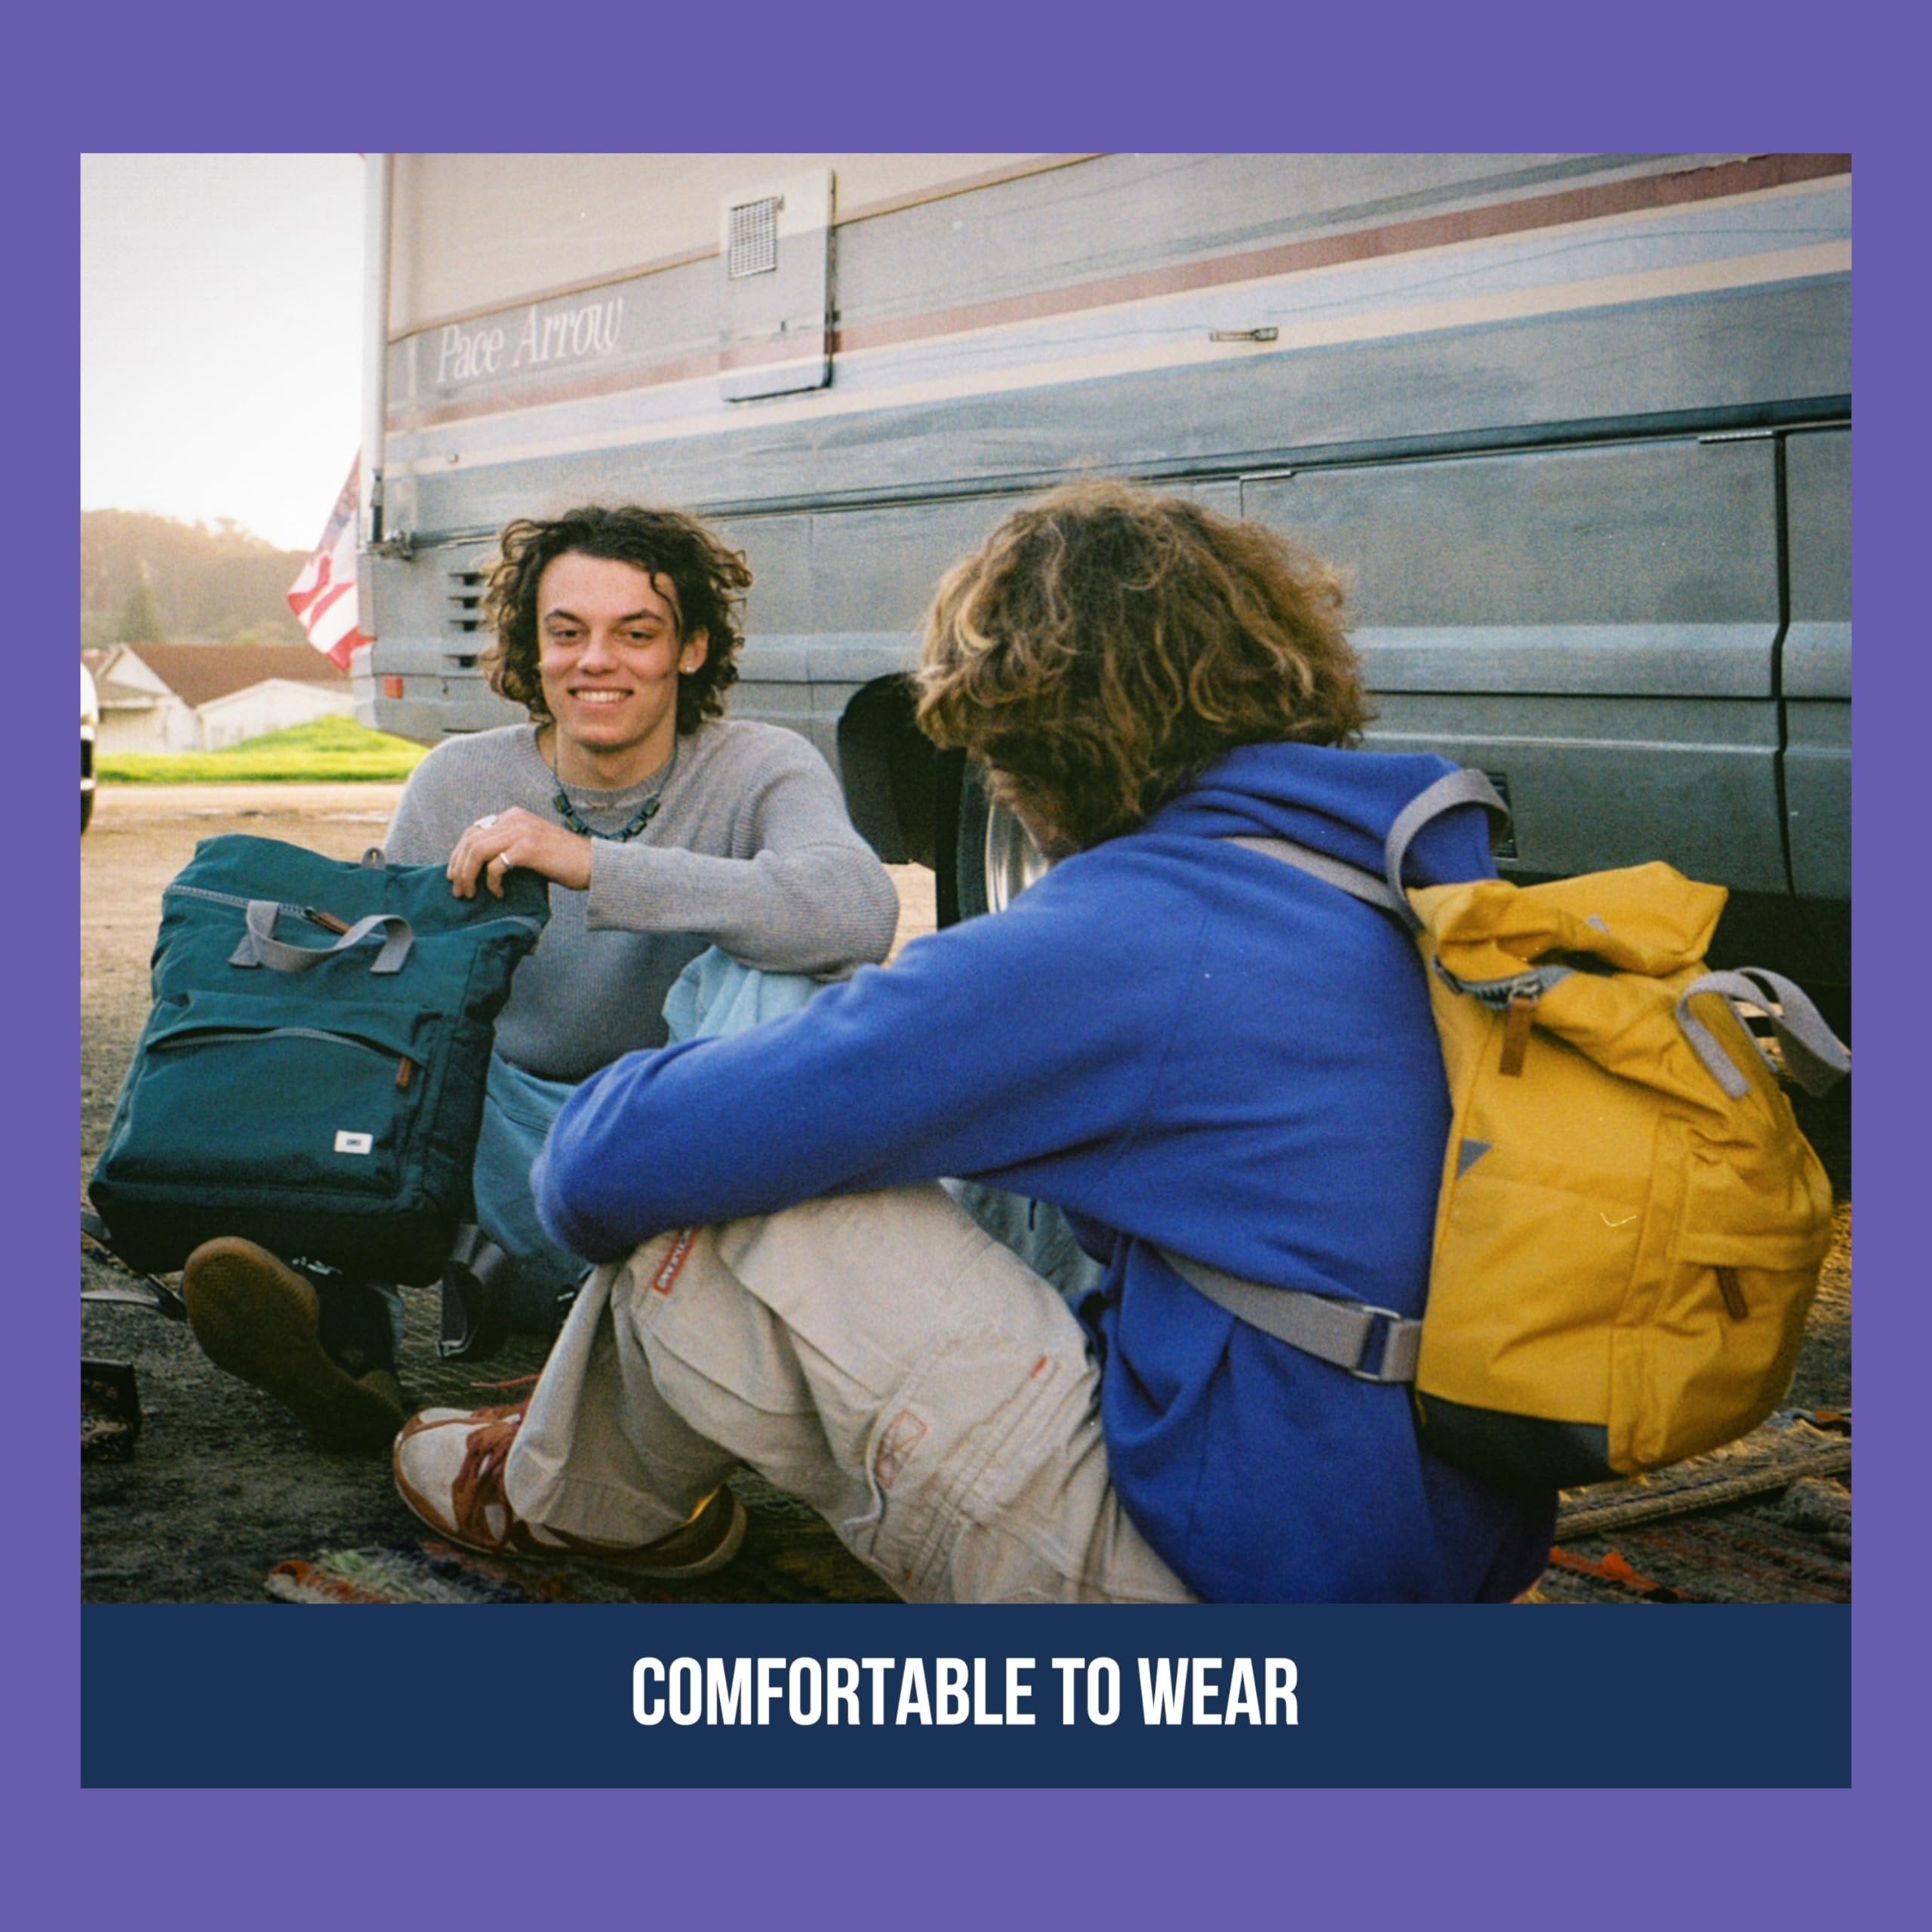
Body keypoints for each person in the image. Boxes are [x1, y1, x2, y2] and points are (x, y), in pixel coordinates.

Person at [392, 480, 1557, 1599]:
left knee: (715, 1184)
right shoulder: (1376, 878)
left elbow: (601, 1168)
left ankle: (562, 1488)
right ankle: (572, 1475)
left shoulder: (1118, 935)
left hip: (1211, 1584)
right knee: (860, 1148)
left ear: (1028, 723)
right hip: (1420, 1546)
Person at [180, 505, 900, 1454]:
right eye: (568, 633)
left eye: (634, 634)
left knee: (791, 975)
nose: (595, 660)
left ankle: (721, 1318)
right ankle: (344, 1328)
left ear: (689, 649)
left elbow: (858, 912)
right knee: (371, 1025)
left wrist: (591, 866)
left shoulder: (760, 765)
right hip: (509, 1179)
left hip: (681, 1171)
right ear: (534, 645)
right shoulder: (458, 782)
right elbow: (388, 1017)